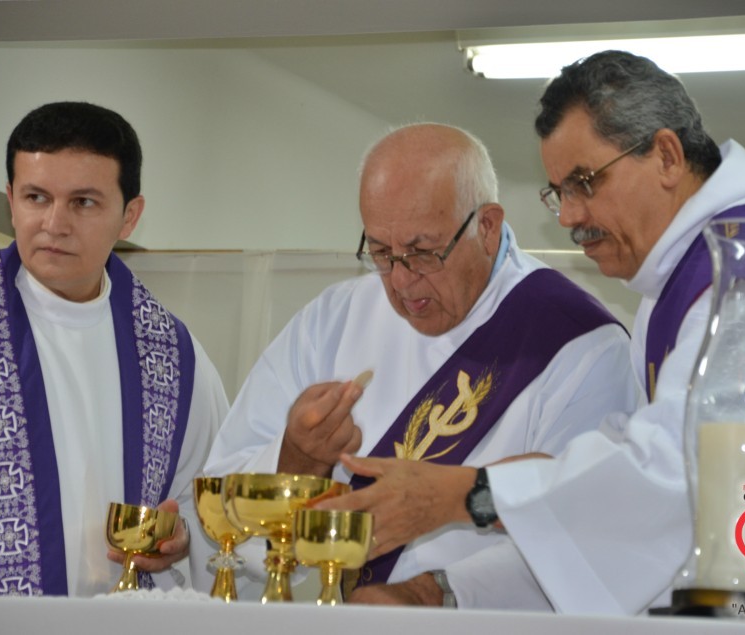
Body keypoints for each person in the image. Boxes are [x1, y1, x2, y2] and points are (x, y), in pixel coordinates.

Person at [316, 51, 745, 633]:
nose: (567, 216)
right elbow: (615, 524)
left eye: (584, 183)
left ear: (665, 155)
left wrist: (467, 493)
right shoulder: (684, 282)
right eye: (558, 191)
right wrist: (440, 593)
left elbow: (678, 483)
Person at [204, 122, 640, 608]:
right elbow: (220, 522)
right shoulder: (337, 318)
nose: (401, 281)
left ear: (488, 226)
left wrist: (437, 595)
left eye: (423, 252)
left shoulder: (578, 344)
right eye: (381, 252)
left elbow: (587, 530)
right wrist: (299, 460)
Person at [0, 101, 229, 597]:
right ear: (10, 199)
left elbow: (205, 505)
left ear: (130, 216)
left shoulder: (173, 355)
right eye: (36, 197)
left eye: (83, 202)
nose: (54, 223)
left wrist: (182, 538)